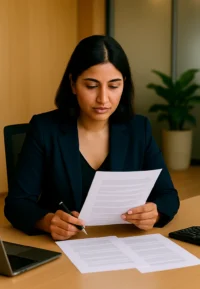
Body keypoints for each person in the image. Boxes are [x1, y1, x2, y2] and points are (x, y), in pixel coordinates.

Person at [4, 35, 180, 240]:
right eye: (91, 86)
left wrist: (155, 213)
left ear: (124, 85)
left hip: (123, 244)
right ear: (73, 84)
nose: (103, 99)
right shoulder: (45, 129)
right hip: (63, 249)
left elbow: (168, 195)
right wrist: (47, 221)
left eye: (114, 86)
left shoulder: (138, 128)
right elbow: (17, 204)